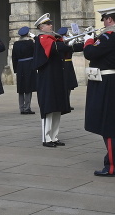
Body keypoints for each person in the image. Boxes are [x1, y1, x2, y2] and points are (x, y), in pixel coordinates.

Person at [82, 7, 115, 177]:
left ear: (110, 20)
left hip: (107, 82)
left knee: (108, 124)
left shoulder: (109, 36)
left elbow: (90, 52)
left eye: (104, 19)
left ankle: (112, 166)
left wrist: (88, 40)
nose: (103, 23)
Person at [33, 14, 71, 147]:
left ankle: (54, 136)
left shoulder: (53, 38)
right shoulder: (43, 38)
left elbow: (61, 47)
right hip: (47, 77)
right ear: (41, 27)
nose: (51, 25)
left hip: (56, 76)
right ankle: (46, 138)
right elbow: (56, 48)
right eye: (48, 24)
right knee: (48, 107)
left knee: (56, 107)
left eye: (50, 23)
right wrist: (69, 44)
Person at [11, 26, 37, 115]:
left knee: (21, 88)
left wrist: (15, 69)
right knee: (28, 87)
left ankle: (21, 108)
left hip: (20, 66)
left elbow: (14, 57)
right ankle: (27, 107)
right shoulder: (30, 43)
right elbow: (37, 50)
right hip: (29, 65)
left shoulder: (16, 44)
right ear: (27, 34)